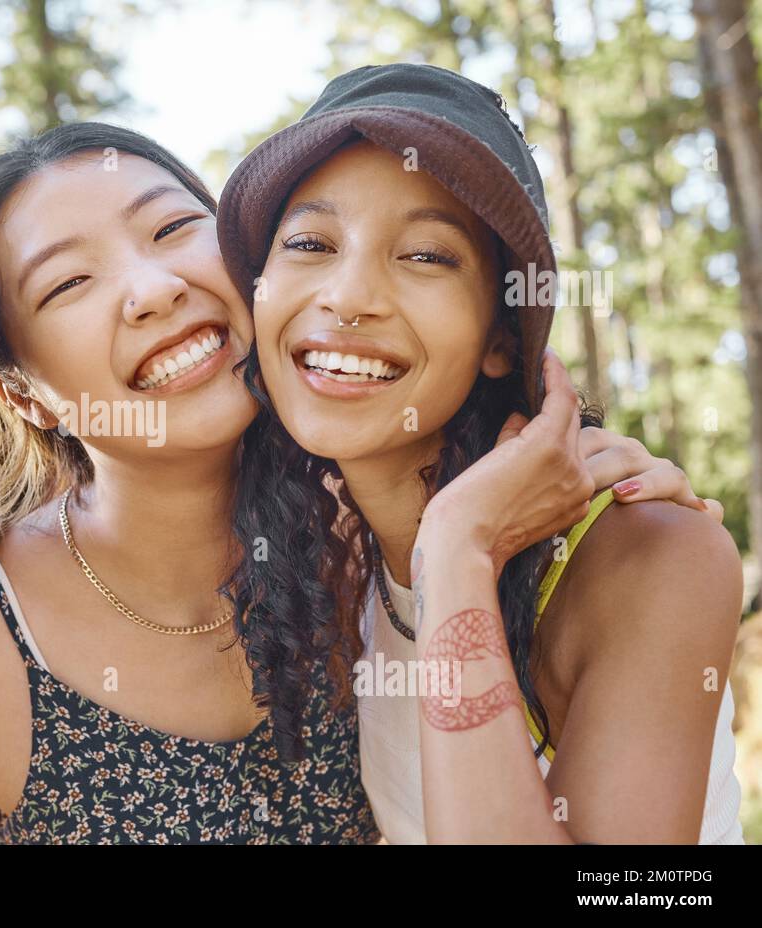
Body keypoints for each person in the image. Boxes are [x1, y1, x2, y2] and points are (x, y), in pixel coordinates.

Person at [219, 63, 743, 843]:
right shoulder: (325, 567)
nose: (349, 295)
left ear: (502, 338)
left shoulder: (646, 550)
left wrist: (459, 553)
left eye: (427, 255)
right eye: (309, 243)